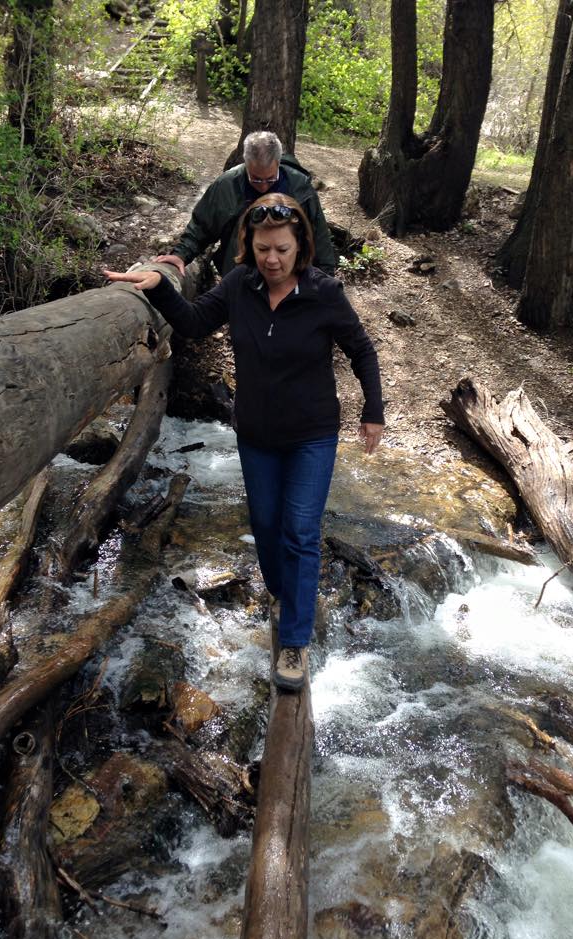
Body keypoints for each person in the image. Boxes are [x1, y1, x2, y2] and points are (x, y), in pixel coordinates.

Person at [104, 193, 383, 691]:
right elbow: (192, 322)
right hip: (255, 433)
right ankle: (280, 591)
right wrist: (158, 290)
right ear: (248, 247)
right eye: (262, 249)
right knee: (266, 525)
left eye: (281, 248)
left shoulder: (324, 293)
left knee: (299, 529)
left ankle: (294, 642)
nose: (272, 259)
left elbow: (361, 350)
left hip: (311, 435)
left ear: (300, 246)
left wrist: (373, 411)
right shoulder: (239, 286)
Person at [155, 130, 338, 278]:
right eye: (256, 179)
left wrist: (325, 279)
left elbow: (318, 235)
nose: (264, 186)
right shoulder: (226, 186)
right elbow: (202, 226)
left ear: (279, 163)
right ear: (246, 163)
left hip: (288, 276)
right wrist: (180, 255)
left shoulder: (300, 187)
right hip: (241, 276)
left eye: (270, 179)